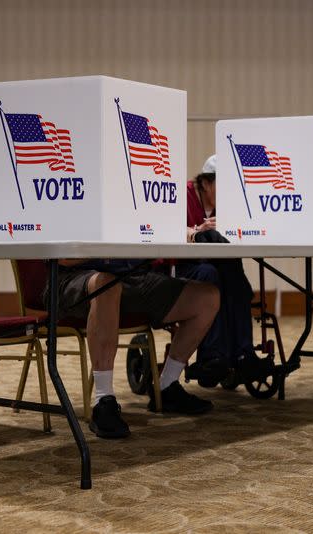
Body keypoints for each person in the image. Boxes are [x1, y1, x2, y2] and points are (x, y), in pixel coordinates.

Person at [45, 260, 220, 439]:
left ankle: (167, 385)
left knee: (207, 297)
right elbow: (63, 257)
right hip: (72, 278)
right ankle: (103, 400)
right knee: (106, 284)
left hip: (133, 278)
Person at [179, 155, 272, 385]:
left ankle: (243, 354)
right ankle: (213, 356)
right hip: (181, 266)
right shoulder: (183, 195)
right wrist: (197, 230)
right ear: (206, 182)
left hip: (215, 266)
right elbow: (162, 228)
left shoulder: (229, 205)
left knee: (235, 277)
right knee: (213, 275)